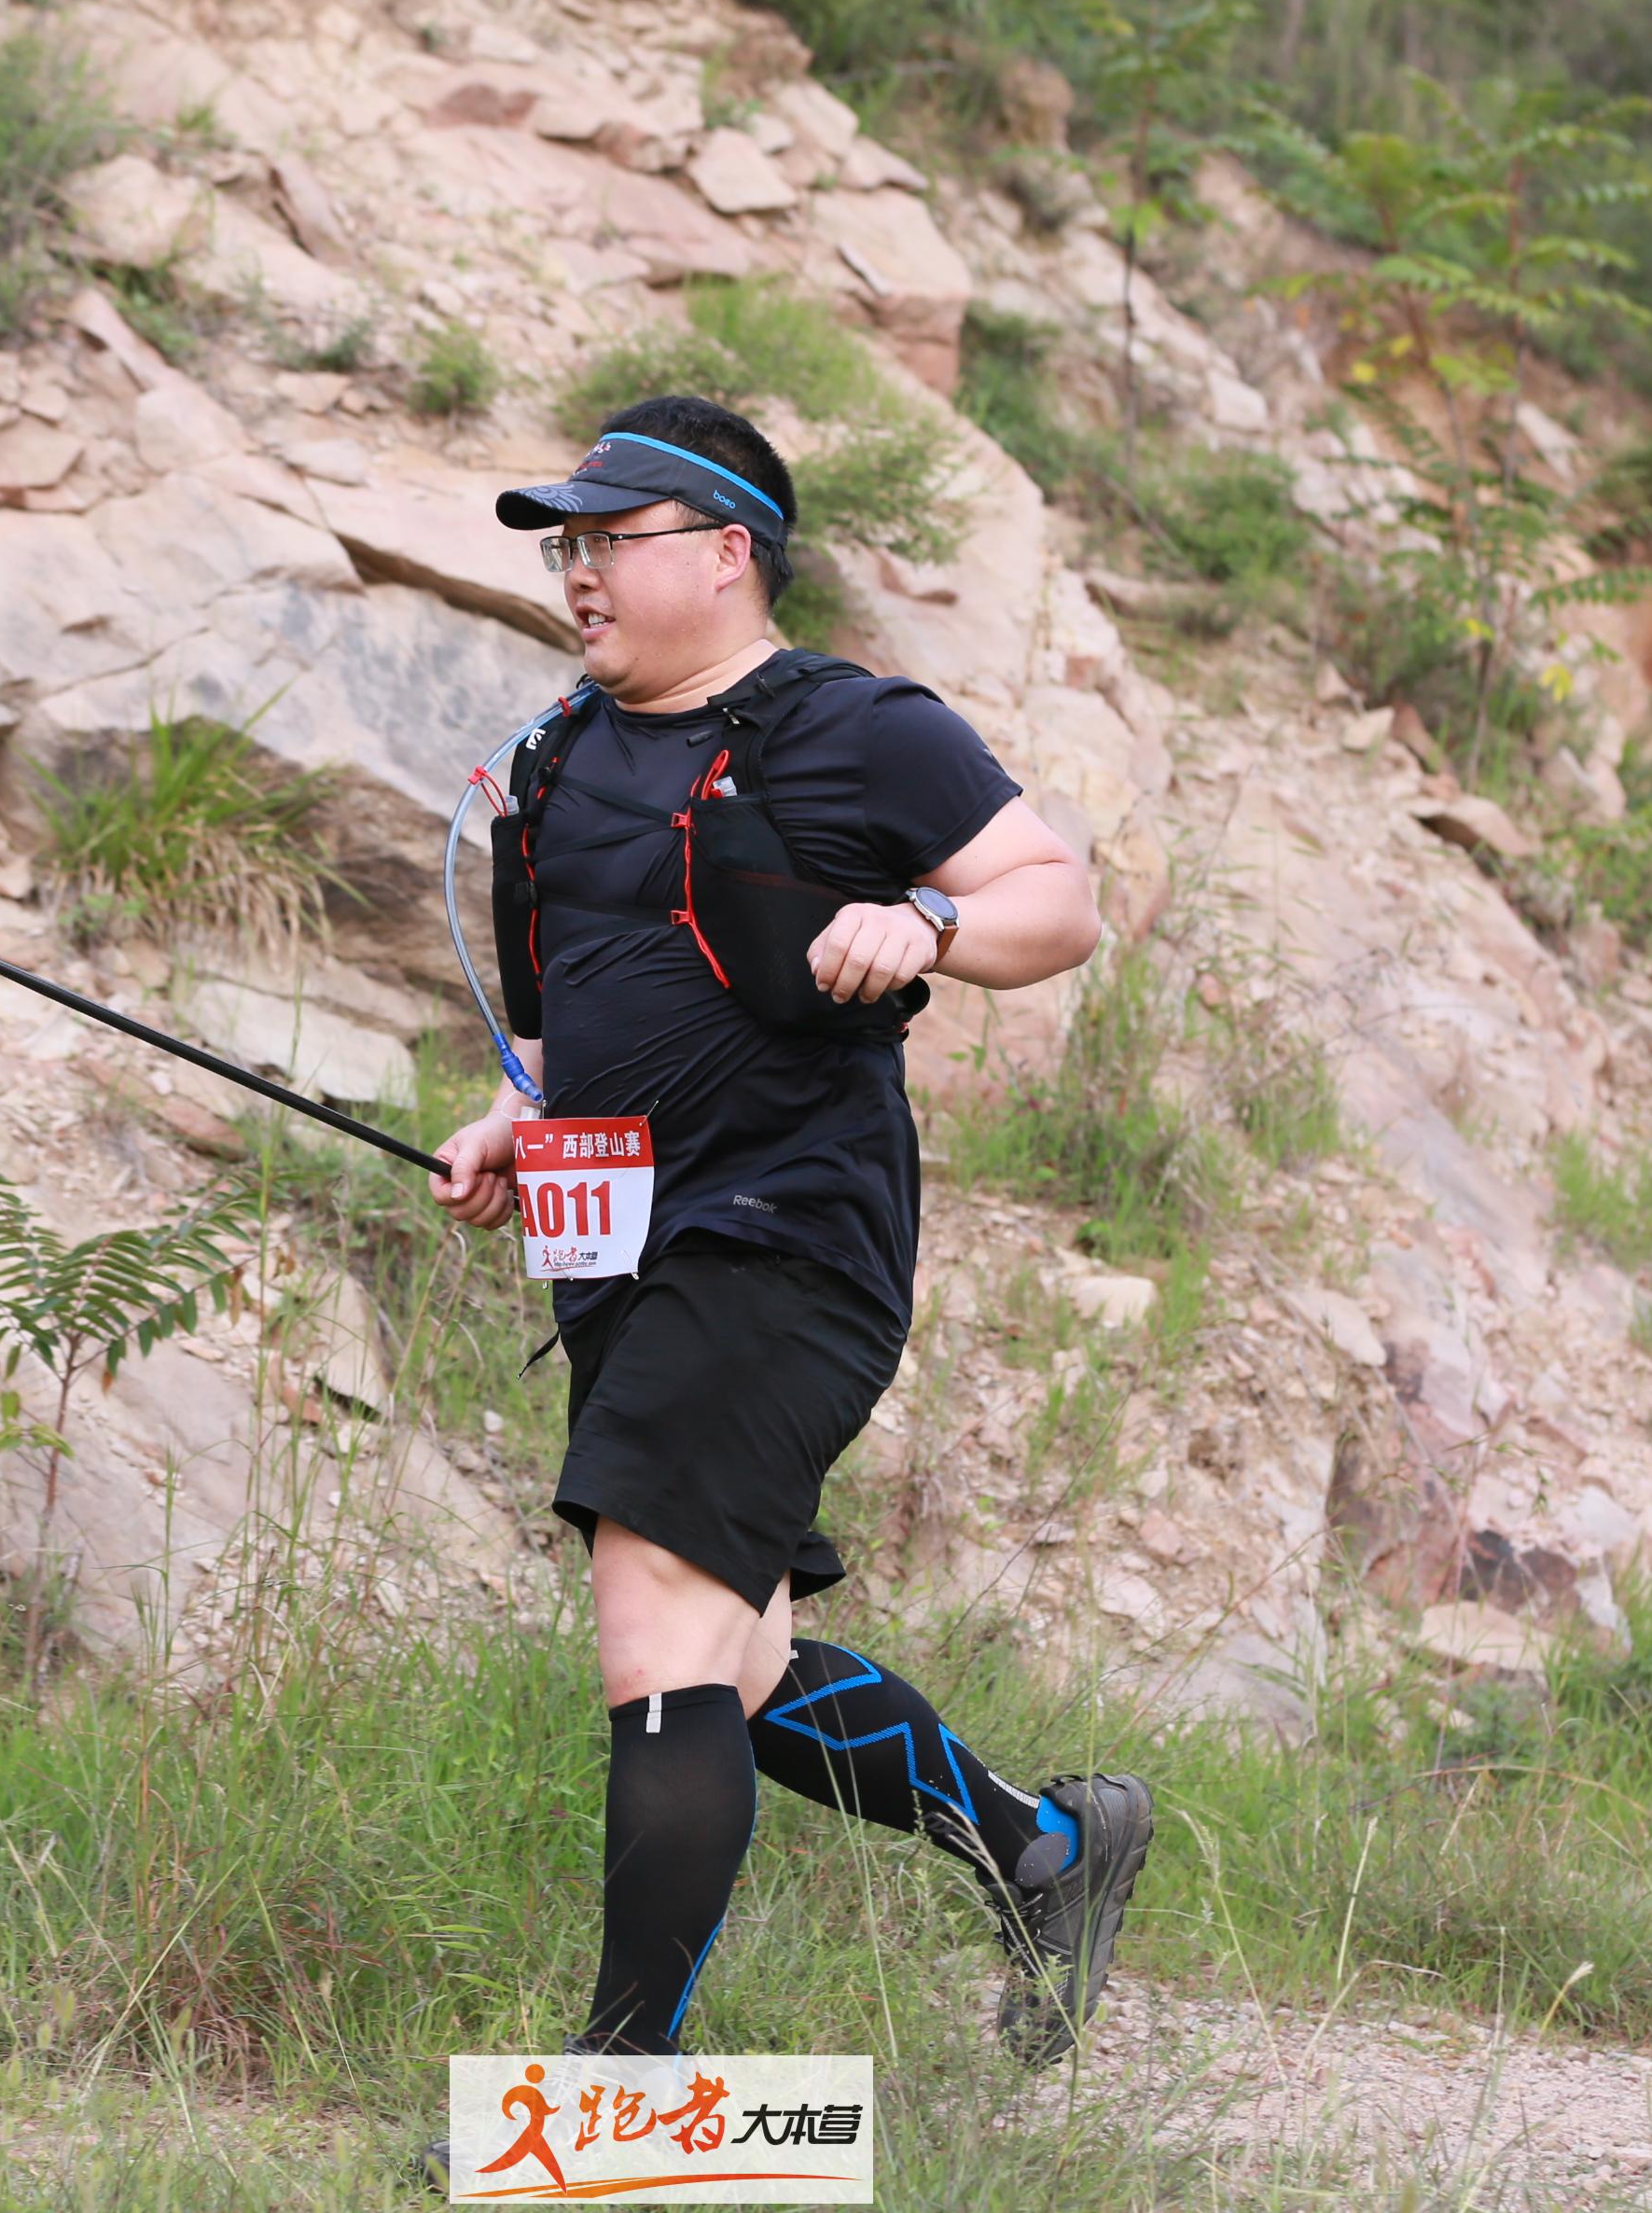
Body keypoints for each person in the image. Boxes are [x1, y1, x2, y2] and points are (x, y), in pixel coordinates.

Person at [415, 397, 1153, 2178]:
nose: (579, 572)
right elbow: (569, 1018)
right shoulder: (555, 759)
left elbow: (1055, 900)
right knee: (734, 1667)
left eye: (614, 539)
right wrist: (513, 1117)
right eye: (567, 544)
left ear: (729, 551)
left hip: (789, 1236)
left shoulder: (856, 729)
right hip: (615, 1248)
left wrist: (934, 924)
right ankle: (1048, 1851)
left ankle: (615, 2121)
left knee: (655, 1644)